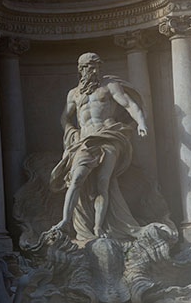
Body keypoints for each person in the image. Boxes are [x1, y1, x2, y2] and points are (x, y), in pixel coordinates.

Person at [48, 52, 148, 243]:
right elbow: (65, 117)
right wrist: (71, 132)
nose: (94, 70)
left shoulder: (110, 86)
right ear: (81, 69)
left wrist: (141, 122)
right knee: (76, 178)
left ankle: (98, 227)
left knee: (104, 183)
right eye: (89, 66)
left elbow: (129, 105)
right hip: (85, 140)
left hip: (108, 136)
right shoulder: (74, 94)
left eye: (96, 66)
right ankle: (65, 221)